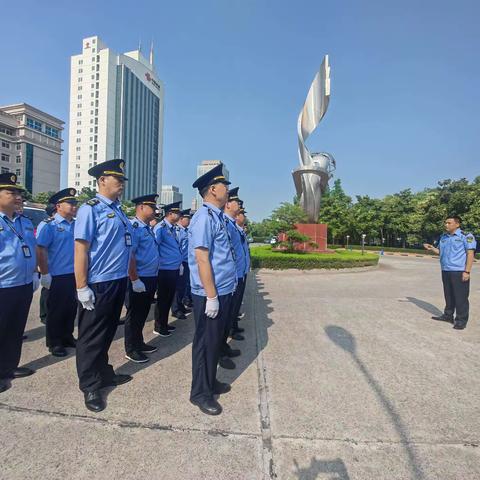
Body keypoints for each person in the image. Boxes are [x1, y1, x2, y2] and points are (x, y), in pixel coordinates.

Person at [74, 159, 134, 412]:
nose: (121, 184)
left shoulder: (119, 210)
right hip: (98, 282)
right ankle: (89, 385)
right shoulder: (91, 209)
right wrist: (81, 286)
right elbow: (81, 249)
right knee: (91, 337)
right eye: (117, 180)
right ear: (101, 181)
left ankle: (104, 373)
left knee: (108, 331)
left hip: (117, 280)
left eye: (122, 180)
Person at [188, 163, 236, 415]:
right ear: (211, 190)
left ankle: (210, 381)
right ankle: (199, 392)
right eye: (223, 185)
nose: (227, 188)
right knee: (205, 343)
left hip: (224, 289)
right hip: (210, 293)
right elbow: (202, 259)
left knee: (215, 341)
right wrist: (211, 296)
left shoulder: (217, 218)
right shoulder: (203, 219)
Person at [0, 173, 39, 393]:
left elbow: (31, 250)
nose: (17, 196)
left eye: (18, 193)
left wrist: (35, 273)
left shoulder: (23, 221)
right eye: (10, 192)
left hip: (23, 284)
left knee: (15, 331)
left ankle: (8, 367)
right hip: (2, 286)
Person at [36, 189, 78, 357]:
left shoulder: (76, 224)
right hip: (57, 275)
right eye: (71, 203)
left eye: (76, 203)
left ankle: (68, 337)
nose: (75, 206)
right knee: (56, 311)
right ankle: (55, 343)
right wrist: (44, 274)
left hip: (73, 274)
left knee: (71, 308)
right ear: (58, 206)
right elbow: (40, 250)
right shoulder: (49, 225)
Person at [124, 194, 160, 363]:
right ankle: (131, 349)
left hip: (150, 277)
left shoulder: (147, 228)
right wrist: (134, 279)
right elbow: (130, 255)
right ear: (141, 208)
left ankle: (139, 343)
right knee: (134, 315)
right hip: (139, 278)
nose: (155, 210)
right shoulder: (134, 227)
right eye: (152, 207)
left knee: (143, 313)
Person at [423, 215, 476, 330]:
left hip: (459, 271)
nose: (446, 225)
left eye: (449, 223)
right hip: (446, 270)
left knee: (461, 297)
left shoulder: (466, 236)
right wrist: (432, 248)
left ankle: (461, 320)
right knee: (448, 295)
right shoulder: (444, 237)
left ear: (457, 224)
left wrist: (467, 271)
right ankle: (448, 315)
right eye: (445, 223)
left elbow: (470, 254)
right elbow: (440, 252)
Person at [153, 201, 183, 336]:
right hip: (164, 269)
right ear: (170, 213)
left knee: (169, 297)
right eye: (177, 213)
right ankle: (159, 326)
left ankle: (164, 323)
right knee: (163, 299)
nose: (179, 215)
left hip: (173, 268)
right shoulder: (161, 227)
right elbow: (155, 247)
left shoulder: (172, 228)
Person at [171, 209, 193, 318]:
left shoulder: (185, 231)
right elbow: (177, 247)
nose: (188, 220)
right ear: (181, 219)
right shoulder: (177, 231)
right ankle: (175, 309)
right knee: (177, 287)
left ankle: (180, 305)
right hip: (181, 262)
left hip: (187, 261)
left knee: (183, 286)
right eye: (186, 218)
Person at [37, 204, 56, 326]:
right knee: (47, 292)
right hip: (49, 265)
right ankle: (44, 314)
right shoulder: (46, 224)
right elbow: (40, 247)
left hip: (61, 266)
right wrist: (42, 270)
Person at [235, 207, 250, 322]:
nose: (244, 217)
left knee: (238, 298)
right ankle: (232, 326)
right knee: (234, 300)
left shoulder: (241, 231)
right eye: (242, 214)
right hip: (235, 272)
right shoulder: (233, 229)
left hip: (242, 270)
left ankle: (234, 323)